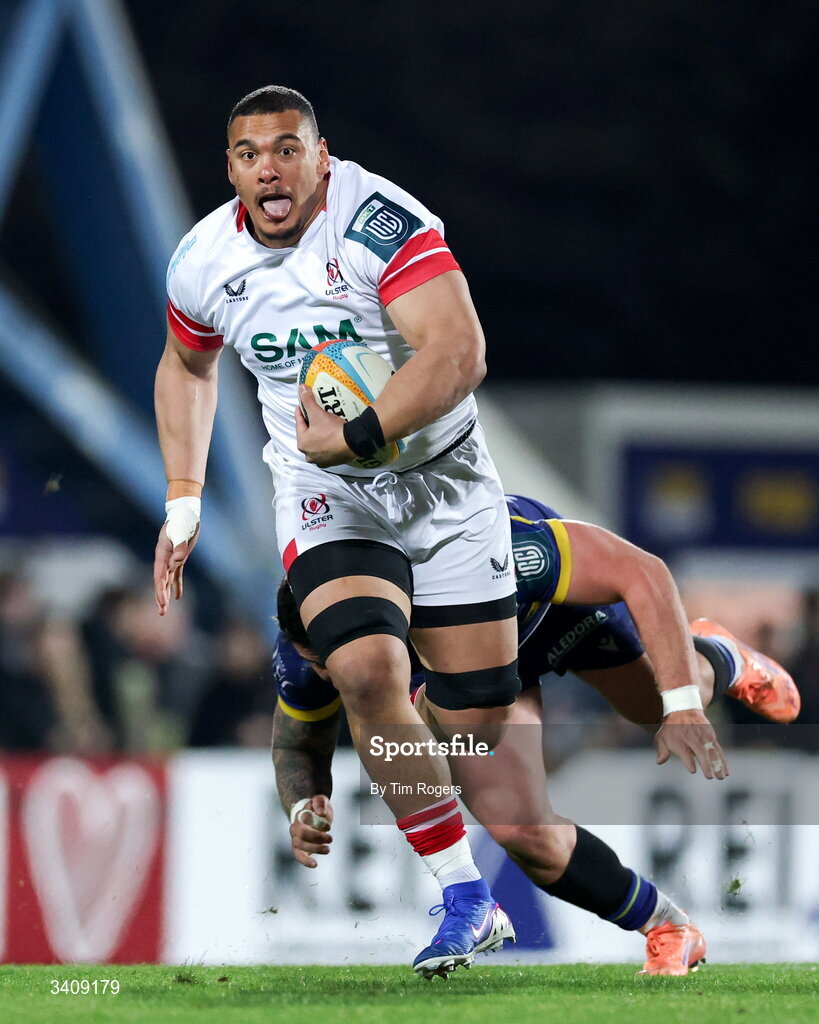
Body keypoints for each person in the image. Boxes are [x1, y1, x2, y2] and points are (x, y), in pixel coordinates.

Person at [154, 83, 527, 977]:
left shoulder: (377, 223)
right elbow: (187, 367)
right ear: (230, 169)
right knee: (365, 669)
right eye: (250, 155)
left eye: (287, 149)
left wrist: (359, 432)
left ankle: (387, 734)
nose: (269, 170)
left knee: (477, 722)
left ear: (320, 157)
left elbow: (460, 351)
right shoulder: (202, 260)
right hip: (323, 491)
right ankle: (465, 898)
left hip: (443, 482)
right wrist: (183, 497)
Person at [272, 494, 799, 976]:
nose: (329, 676)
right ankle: (667, 925)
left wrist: (683, 705)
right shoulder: (325, 653)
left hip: (546, 612)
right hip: (476, 674)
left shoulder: (503, 548)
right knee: (523, 832)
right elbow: (297, 742)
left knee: (657, 707)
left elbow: (644, 571)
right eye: (319, 663)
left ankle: (720, 656)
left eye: (329, 661)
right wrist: (302, 804)